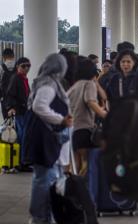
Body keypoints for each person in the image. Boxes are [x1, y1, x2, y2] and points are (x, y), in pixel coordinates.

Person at [27, 53, 73, 224]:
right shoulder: (48, 84)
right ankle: (41, 217)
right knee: (45, 180)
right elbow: (39, 107)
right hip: (46, 140)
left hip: (47, 139)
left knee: (46, 179)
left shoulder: (47, 82)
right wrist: (60, 119)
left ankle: (45, 215)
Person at [68, 59, 107, 176]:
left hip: (73, 131)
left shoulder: (75, 86)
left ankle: (75, 190)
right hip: (85, 130)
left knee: (76, 165)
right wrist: (106, 115)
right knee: (88, 165)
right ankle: (85, 191)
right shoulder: (89, 84)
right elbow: (91, 102)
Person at [5, 57, 31, 167]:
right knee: (22, 135)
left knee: (24, 135)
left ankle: (23, 159)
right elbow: (10, 94)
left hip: (25, 111)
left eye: (28, 66)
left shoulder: (24, 78)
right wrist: (11, 107)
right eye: (23, 66)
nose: (26, 68)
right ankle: (22, 160)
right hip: (19, 111)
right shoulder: (16, 78)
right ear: (17, 67)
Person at [0, 48, 16, 119]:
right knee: (18, 122)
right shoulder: (19, 67)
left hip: (5, 99)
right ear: (13, 56)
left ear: (3, 57)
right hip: (17, 99)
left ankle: (9, 129)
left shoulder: (1, 68)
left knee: (7, 122)